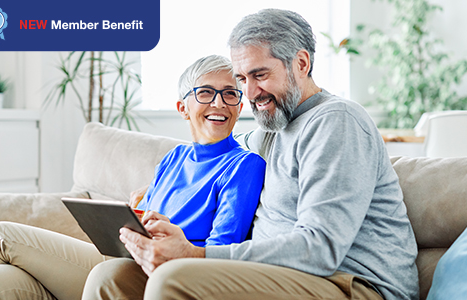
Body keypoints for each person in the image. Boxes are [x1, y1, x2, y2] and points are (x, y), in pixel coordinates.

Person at [117, 9, 419, 300]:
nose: (249, 93)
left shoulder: (336, 122)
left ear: (301, 63)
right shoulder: (273, 128)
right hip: (281, 276)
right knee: (114, 278)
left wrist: (197, 254)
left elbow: (320, 249)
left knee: (173, 278)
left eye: (259, 75)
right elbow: (215, 150)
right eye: (242, 79)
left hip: (350, 283)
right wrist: (164, 185)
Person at [0, 55, 266, 300]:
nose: (218, 103)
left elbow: (223, 250)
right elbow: (148, 219)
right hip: (121, 255)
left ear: (239, 107)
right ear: (183, 108)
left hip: (155, 272)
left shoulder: (244, 165)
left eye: (230, 94)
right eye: (205, 93)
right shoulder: (175, 157)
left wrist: (176, 241)